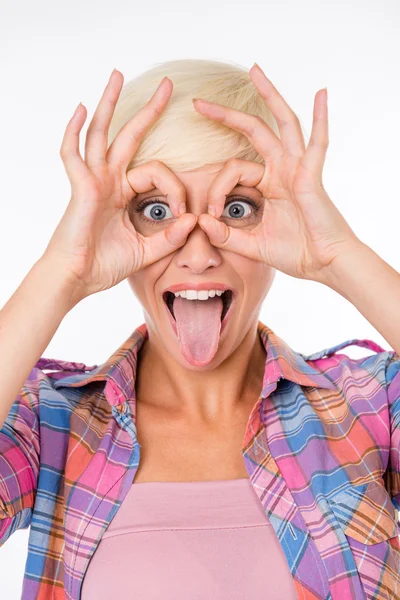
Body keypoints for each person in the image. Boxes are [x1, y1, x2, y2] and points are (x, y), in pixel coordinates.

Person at [1, 58, 400, 600]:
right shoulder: (49, 426)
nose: (197, 253)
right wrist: (61, 272)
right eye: (156, 212)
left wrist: (337, 255)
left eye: (236, 209)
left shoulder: (368, 407)